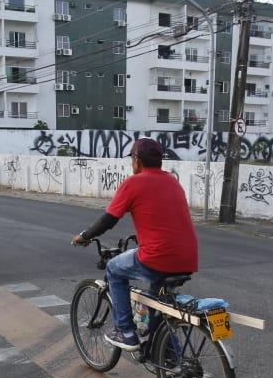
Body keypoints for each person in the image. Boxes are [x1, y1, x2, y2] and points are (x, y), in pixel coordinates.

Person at [71, 138, 198, 351]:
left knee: (114, 269)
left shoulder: (134, 183)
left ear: (137, 160)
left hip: (158, 256)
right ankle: (169, 356)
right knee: (158, 304)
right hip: (188, 257)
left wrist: (84, 236)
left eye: (132, 158)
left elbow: (108, 220)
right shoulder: (172, 181)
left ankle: (126, 332)